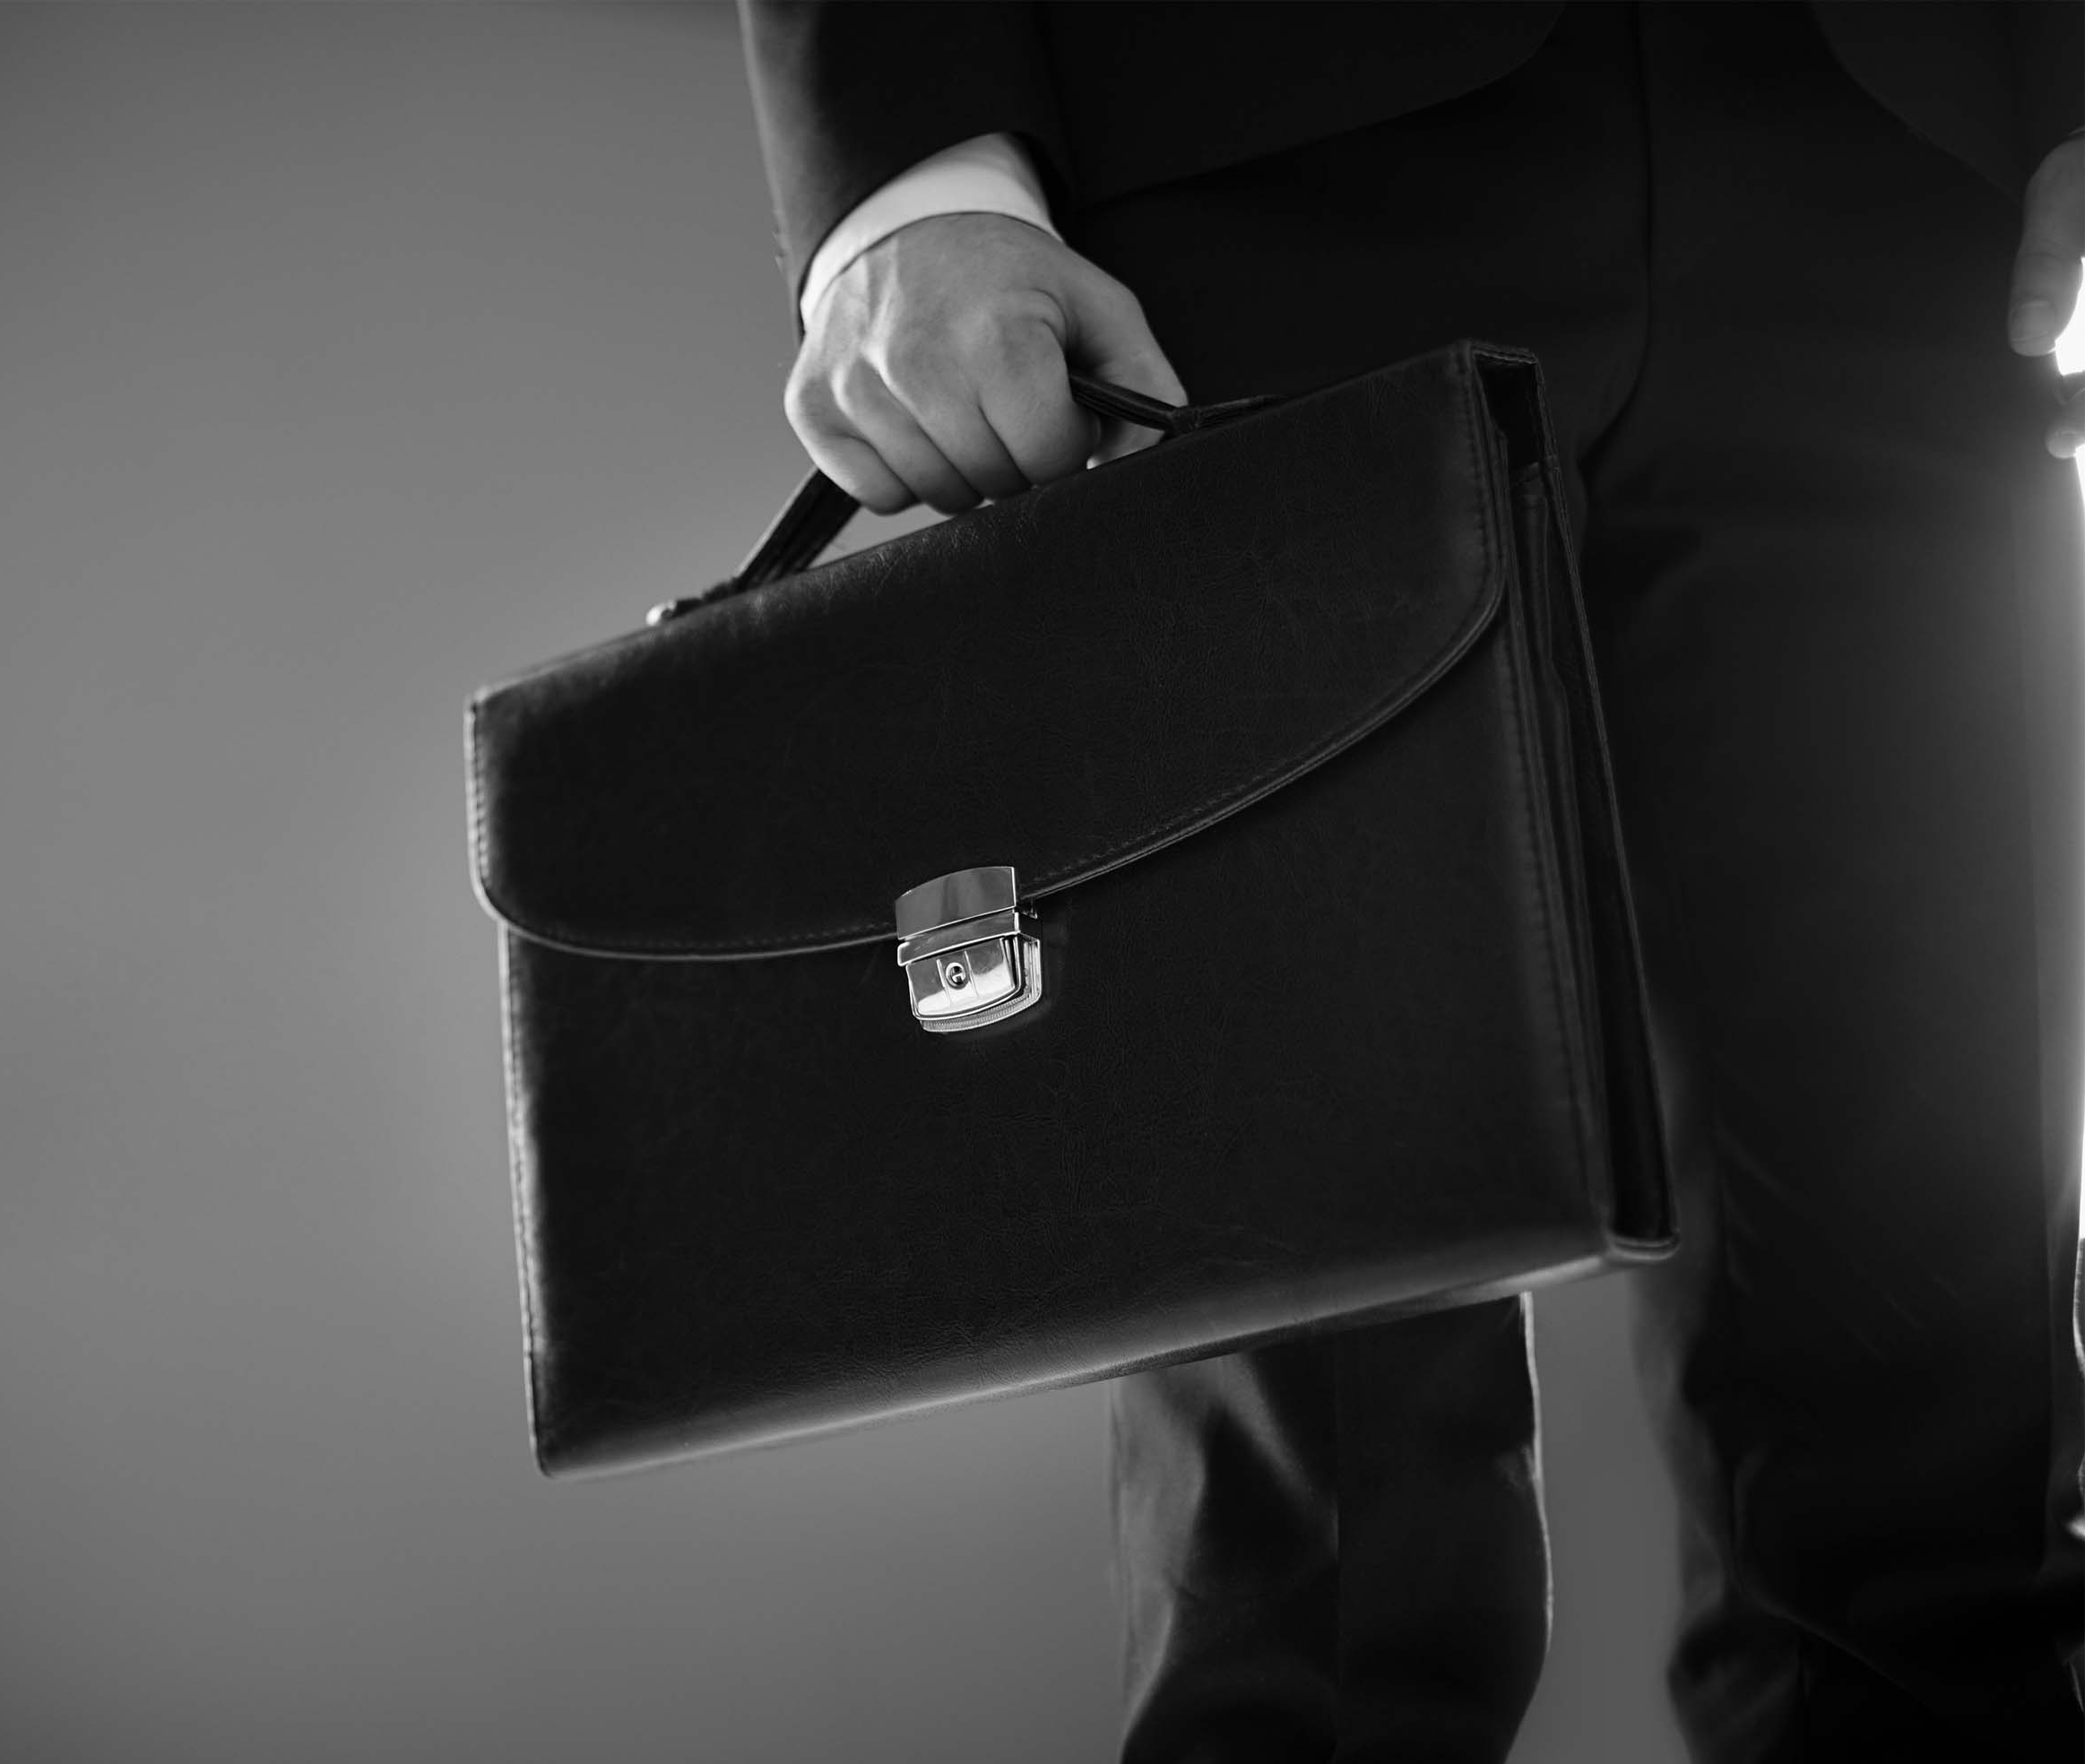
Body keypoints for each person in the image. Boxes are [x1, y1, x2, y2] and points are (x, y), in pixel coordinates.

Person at [736, 3, 2085, 1758]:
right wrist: (903, 170)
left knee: (1936, 1421)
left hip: (1896, 158)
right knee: (1320, 1530)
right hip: (1255, 171)